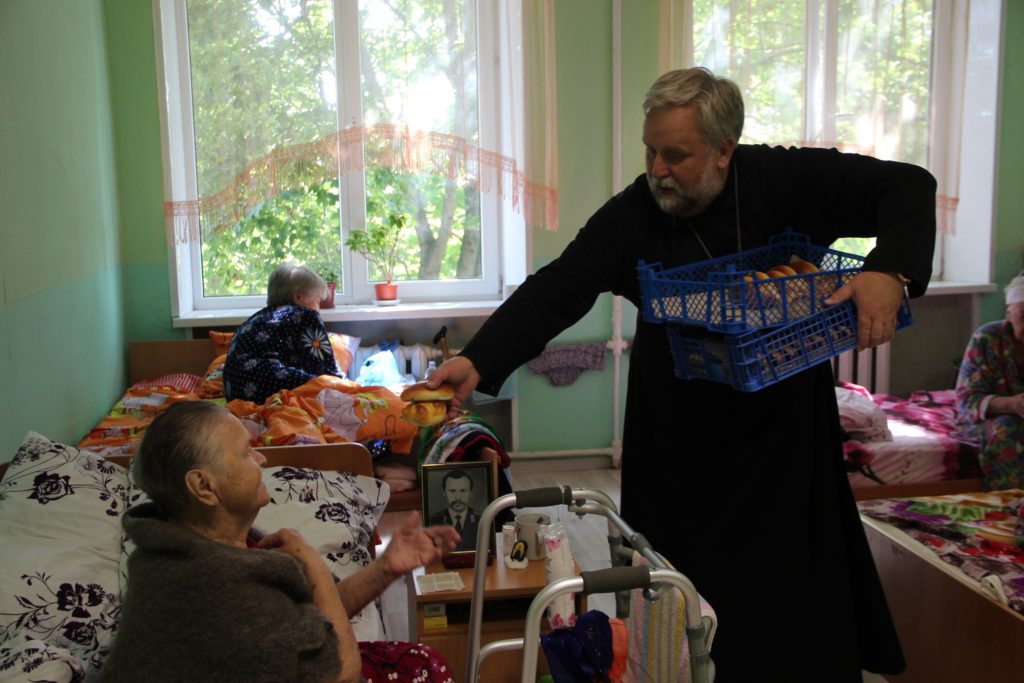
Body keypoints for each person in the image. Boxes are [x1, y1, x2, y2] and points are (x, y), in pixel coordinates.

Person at [427, 67, 936, 682]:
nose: (657, 169)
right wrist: (478, 358)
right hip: (678, 441)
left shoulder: (784, 179)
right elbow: (561, 286)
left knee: (790, 600)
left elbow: (909, 185)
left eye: (675, 154)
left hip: (784, 435)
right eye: (650, 151)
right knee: (677, 596)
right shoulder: (634, 214)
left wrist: (890, 269)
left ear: (725, 149)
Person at [101, 401, 460, 683]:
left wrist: (386, 567)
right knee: (421, 666)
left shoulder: (215, 542)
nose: (261, 459)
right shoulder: (208, 583)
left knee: (421, 659)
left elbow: (318, 618)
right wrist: (315, 566)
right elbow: (340, 674)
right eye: (245, 454)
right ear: (204, 487)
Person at [224, 263, 343, 404]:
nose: (318, 309)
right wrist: (343, 384)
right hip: (268, 387)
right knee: (333, 388)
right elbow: (325, 369)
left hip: (234, 394)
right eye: (317, 301)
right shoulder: (306, 314)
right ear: (298, 297)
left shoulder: (252, 320)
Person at [955, 271, 1024, 489]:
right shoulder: (988, 338)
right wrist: (1012, 404)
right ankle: (1007, 507)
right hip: (992, 418)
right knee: (1008, 429)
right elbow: (966, 401)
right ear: (1009, 312)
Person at [428, 469, 482, 551]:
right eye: (452, 491)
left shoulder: (482, 520)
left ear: (470, 492)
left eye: (463, 491)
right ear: (444, 492)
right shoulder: (433, 521)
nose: (458, 497)